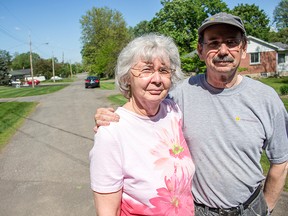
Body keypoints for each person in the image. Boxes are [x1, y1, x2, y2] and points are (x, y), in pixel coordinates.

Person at [94, 12, 288, 216]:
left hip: (251, 207)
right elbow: (144, 109)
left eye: (231, 42)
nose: (223, 51)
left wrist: (266, 207)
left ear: (243, 48)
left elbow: (281, 161)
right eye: (213, 43)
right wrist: (106, 119)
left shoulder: (266, 98)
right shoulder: (179, 96)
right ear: (200, 50)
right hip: (199, 210)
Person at [89, 33, 195, 215]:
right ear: (127, 78)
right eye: (146, 70)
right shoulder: (112, 132)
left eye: (164, 71)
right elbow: (107, 211)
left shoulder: (173, 112)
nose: (157, 79)